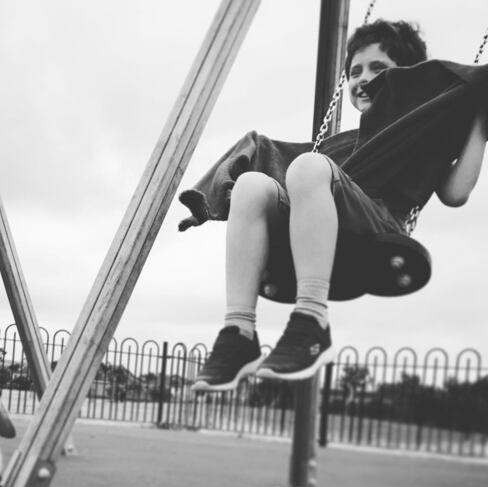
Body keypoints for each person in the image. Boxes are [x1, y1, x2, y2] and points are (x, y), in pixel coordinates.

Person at [182, 19, 488, 392]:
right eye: (355, 70)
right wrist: (211, 201)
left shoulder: (418, 134)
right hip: (319, 223)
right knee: (250, 185)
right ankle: (239, 333)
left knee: (309, 167)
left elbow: (456, 194)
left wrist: (479, 117)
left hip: (378, 227)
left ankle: (312, 320)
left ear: (408, 80)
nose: (363, 78)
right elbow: (274, 164)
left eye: (379, 69)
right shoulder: (337, 145)